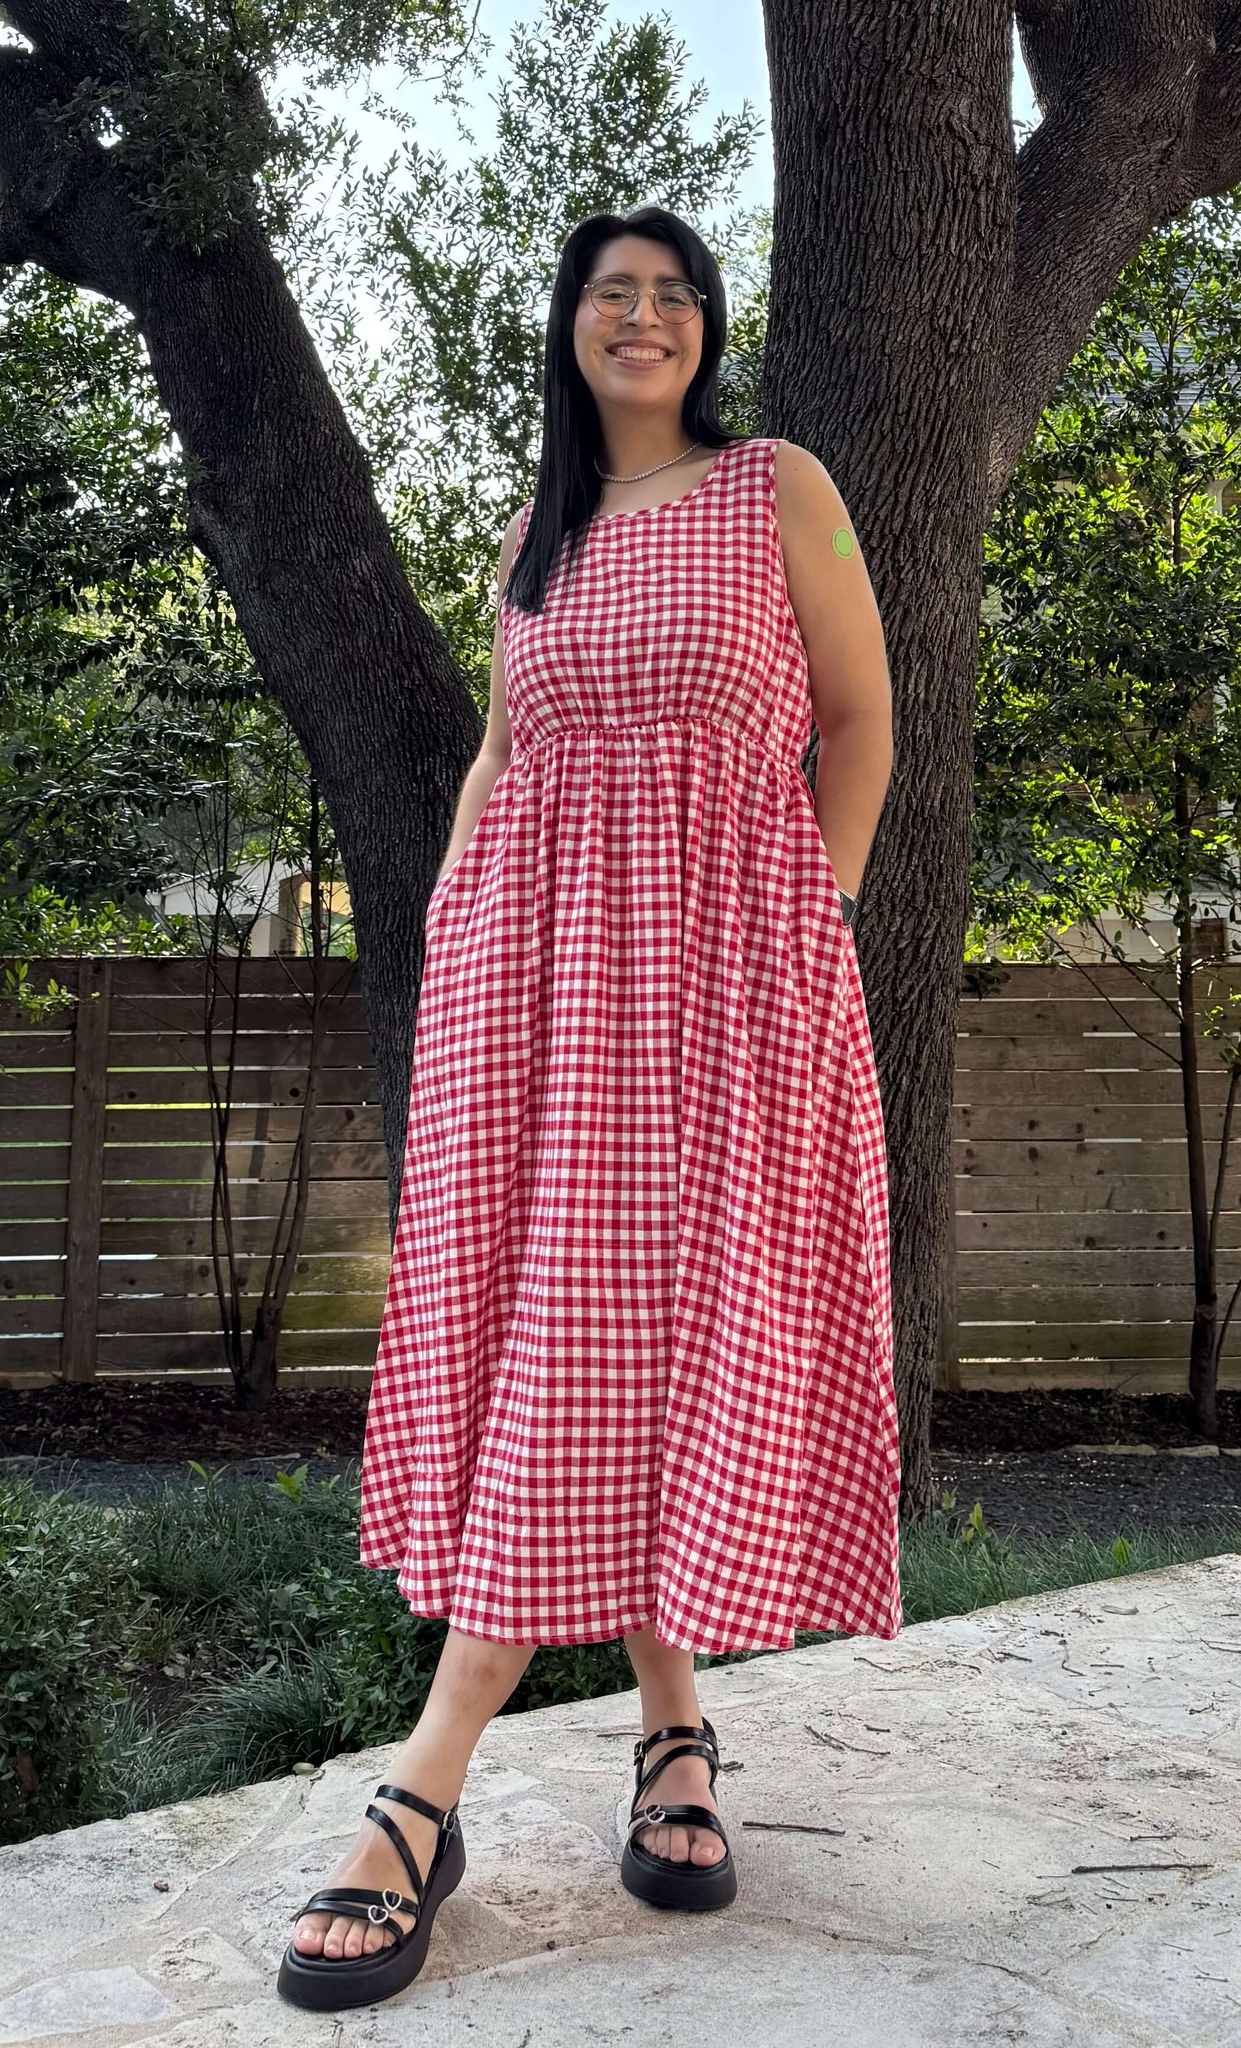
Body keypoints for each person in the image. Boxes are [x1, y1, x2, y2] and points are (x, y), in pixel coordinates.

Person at [277, 204, 902, 2014]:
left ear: (707, 329)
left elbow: (864, 722)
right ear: (570, 325)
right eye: (614, 292)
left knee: (639, 1330)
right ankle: (674, 1731)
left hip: (727, 985)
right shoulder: (535, 531)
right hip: (536, 994)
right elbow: (502, 750)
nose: (646, 315)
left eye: (675, 293)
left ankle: (425, 1786)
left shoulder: (779, 490)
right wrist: (457, 947)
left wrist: (805, 929)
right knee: (588, 1332)